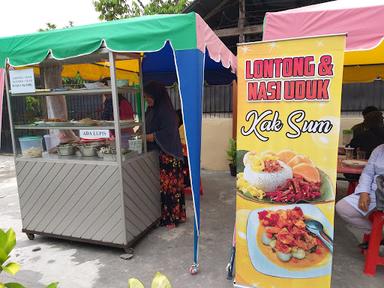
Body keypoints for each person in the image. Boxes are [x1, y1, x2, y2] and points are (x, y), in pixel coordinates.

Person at [144, 81, 185, 228]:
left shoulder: (166, 112)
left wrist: (148, 136)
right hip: (159, 155)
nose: (147, 100)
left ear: (157, 95)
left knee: (170, 189)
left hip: (169, 156)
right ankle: (166, 216)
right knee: (162, 189)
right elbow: (145, 126)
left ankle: (172, 219)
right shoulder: (151, 110)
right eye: (145, 98)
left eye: (148, 97)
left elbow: (167, 133)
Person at [336, 144, 384, 248]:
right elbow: (368, 173)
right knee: (343, 208)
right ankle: (375, 233)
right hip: (373, 190)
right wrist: (364, 192)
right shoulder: (379, 149)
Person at [176, 109, 191, 192]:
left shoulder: (181, 128)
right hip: (187, 154)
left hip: (184, 154)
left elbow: (180, 142)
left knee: (177, 163)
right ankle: (186, 181)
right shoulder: (186, 126)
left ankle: (185, 182)